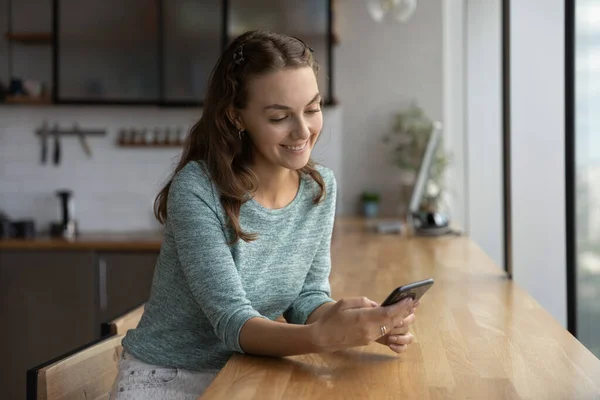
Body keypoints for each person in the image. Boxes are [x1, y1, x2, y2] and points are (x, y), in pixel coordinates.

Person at [109, 30, 418, 400]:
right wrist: (325, 337)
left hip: (246, 373)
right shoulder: (198, 188)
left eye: (312, 108)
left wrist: (354, 322)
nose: (303, 130)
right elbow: (232, 321)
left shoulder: (319, 190)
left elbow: (306, 297)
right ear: (236, 117)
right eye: (279, 117)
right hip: (168, 380)